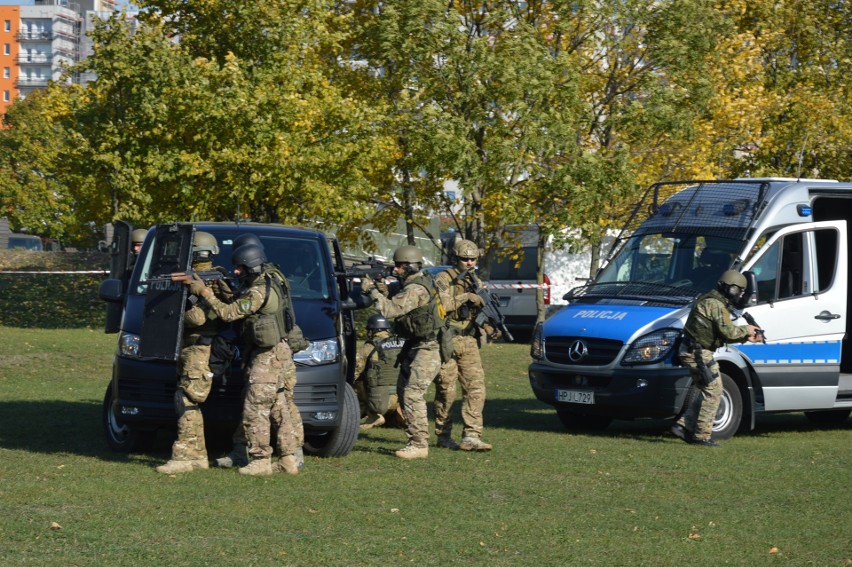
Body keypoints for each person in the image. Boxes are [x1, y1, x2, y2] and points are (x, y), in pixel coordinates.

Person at [190, 242, 303, 476]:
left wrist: (205, 292)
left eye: (241, 268)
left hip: (267, 357)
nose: (237, 272)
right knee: (279, 406)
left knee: (256, 407)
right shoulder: (272, 279)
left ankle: (261, 459)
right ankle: (288, 458)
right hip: (278, 352)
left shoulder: (258, 290)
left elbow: (229, 313)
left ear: (252, 265)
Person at [156, 232, 230, 474]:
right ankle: (197, 455)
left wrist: (177, 316)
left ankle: (186, 456)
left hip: (200, 348)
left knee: (187, 400)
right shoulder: (211, 278)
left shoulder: (210, 281)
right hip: (195, 348)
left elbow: (198, 318)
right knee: (189, 400)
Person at [361, 245, 444, 459]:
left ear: (411, 266)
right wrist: (380, 286)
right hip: (415, 344)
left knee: (412, 394)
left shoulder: (416, 289)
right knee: (402, 391)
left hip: (428, 347)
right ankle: (413, 436)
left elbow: (390, 309)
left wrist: (371, 290)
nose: (396, 269)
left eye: (399, 266)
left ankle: (419, 444)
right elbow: (393, 296)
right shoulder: (409, 284)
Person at [671, 270, 760, 447]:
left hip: (693, 350)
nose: (740, 295)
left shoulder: (711, 300)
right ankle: (701, 436)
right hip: (697, 352)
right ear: (732, 289)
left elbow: (724, 333)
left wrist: (744, 336)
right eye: (740, 291)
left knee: (708, 390)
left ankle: (682, 426)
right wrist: (747, 330)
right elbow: (727, 332)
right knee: (714, 391)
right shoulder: (716, 305)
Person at [433, 239, 492, 452]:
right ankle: (443, 435)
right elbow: (445, 305)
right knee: (446, 390)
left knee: (476, 388)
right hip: (448, 338)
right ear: (456, 259)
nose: (469, 263)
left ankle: (472, 436)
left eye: (472, 259)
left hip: (469, 339)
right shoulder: (443, 278)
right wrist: (467, 296)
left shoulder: (475, 280)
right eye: (464, 259)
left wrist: (488, 322)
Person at [353, 314, 404, 430]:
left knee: (355, 385)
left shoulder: (370, 346)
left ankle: (373, 416)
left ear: (373, 330)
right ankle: (398, 414)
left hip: (381, 400)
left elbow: (355, 370)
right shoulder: (401, 343)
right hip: (402, 397)